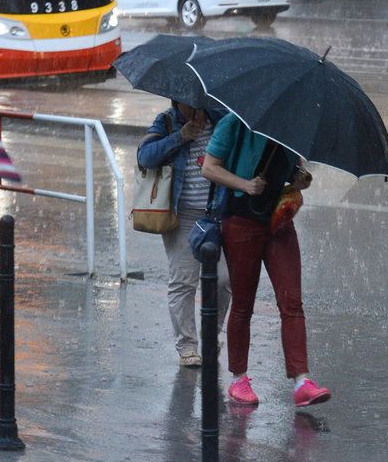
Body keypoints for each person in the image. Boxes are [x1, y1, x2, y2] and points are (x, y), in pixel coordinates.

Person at [201, 114, 330, 408]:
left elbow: (292, 171)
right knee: (243, 304)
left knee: (291, 301)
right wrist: (244, 184)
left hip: (278, 220)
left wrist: (299, 178)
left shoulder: (292, 126)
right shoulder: (234, 122)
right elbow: (209, 168)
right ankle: (238, 379)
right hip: (241, 220)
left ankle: (301, 381)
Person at [136, 101, 231, 368]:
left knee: (223, 279)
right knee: (183, 281)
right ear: (177, 101)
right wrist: (181, 136)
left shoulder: (221, 118)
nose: (195, 108)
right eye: (189, 104)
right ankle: (188, 346)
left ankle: (213, 332)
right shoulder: (166, 121)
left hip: (217, 214)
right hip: (184, 214)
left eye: (198, 102)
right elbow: (144, 157)